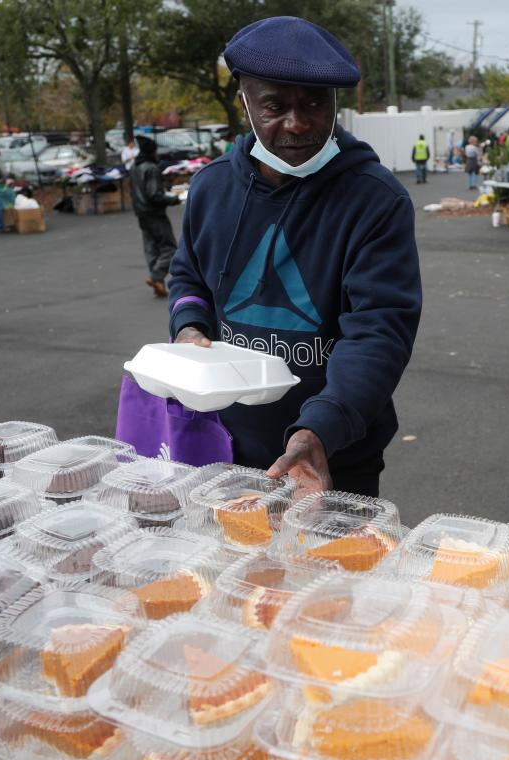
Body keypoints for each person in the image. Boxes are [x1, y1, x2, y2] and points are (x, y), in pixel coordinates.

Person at [167, 16, 422, 498]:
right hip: (223, 449)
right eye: (275, 106)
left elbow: (378, 331)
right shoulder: (211, 187)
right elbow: (188, 279)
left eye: (313, 103)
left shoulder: (374, 199)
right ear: (244, 102)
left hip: (331, 456)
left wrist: (317, 432)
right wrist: (189, 327)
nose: (297, 122)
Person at [130, 136, 180, 299]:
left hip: (141, 212)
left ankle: (157, 283)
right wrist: (174, 199)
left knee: (151, 247)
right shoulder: (151, 168)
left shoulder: (135, 166)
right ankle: (156, 277)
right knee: (169, 247)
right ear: (152, 151)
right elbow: (154, 194)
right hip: (154, 213)